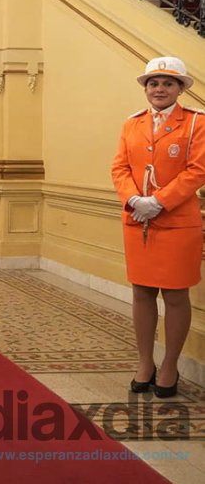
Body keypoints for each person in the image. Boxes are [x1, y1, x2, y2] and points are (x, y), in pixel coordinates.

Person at [111, 56, 205, 398]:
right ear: (146, 88)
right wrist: (135, 200)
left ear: (180, 88)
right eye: (153, 83)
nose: (159, 89)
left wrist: (159, 202)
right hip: (137, 221)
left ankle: (169, 365)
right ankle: (145, 362)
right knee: (142, 292)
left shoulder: (197, 124)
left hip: (178, 224)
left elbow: (197, 171)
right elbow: (119, 168)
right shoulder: (132, 124)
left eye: (168, 83)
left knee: (176, 295)